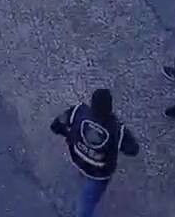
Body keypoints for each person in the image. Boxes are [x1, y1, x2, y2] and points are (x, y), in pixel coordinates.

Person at [51, 87, 138, 215]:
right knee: (86, 205)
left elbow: (55, 126)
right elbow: (133, 150)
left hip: (78, 158)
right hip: (99, 173)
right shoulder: (117, 130)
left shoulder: (78, 112)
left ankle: (82, 175)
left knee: (84, 193)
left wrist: (70, 136)